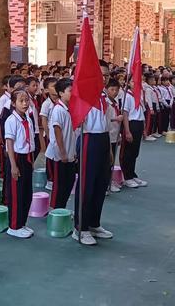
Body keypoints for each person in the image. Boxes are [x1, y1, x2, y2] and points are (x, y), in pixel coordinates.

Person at [72, 60, 113, 246]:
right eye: (101, 75)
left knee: (100, 183)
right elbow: (76, 118)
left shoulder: (104, 96)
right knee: (87, 185)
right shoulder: (84, 94)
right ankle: (80, 227)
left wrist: (110, 150)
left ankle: (94, 223)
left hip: (103, 139)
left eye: (107, 75)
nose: (104, 78)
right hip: (89, 139)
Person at [4, 88, 35, 239]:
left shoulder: (27, 118)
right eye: (21, 101)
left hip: (27, 157)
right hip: (16, 158)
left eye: (27, 100)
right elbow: (9, 143)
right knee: (16, 194)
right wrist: (13, 166)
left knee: (26, 193)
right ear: (13, 103)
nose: (25, 103)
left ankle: (22, 222)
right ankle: (14, 226)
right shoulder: (11, 120)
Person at [46, 78, 77, 209]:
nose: (73, 93)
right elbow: (57, 133)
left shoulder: (69, 109)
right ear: (61, 93)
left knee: (68, 183)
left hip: (69, 154)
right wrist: (63, 153)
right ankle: (55, 210)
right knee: (60, 185)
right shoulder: (58, 110)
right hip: (60, 156)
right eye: (70, 91)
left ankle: (62, 209)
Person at [121, 78, 147, 189]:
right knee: (128, 152)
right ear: (127, 83)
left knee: (135, 152)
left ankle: (132, 174)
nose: (136, 83)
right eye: (133, 81)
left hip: (139, 124)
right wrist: (127, 131)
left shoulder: (138, 95)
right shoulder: (127, 96)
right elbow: (125, 114)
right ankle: (127, 177)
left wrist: (144, 126)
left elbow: (141, 111)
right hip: (131, 124)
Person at [40, 76, 58, 190]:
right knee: (50, 157)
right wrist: (48, 134)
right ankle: (50, 179)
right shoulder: (46, 104)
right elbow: (44, 120)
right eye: (53, 86)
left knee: (58, 156)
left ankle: (57, 177)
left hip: (59, 133)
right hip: (50, 134)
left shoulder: (61, 101)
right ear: (46, 90)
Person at [106, 78, 123, 193]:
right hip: (108, 135)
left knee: (112, 161)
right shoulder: (106, 103)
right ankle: (106, 183)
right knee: (108, 161)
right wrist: (116, 118)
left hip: (114, 134)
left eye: (116, 90)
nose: (114, 92)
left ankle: (109, 181)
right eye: (112, 89)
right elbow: (105, 119)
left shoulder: (115, 103)